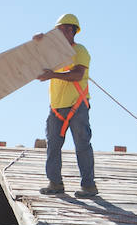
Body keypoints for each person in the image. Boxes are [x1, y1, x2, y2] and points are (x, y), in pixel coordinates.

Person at [36, 14, 97, 198]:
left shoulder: (80, 51)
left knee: (82, 145)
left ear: (71, 30)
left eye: (60, 31)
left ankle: (89, 186)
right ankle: (55, 183)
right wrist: (39, 41)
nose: (57, 35)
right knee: (53, 146)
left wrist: (53, 75)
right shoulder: (54, 54)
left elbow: (77, 74)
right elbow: (37, 56)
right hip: (56, 107)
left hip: (76, 106)